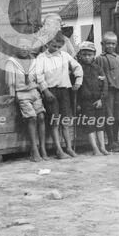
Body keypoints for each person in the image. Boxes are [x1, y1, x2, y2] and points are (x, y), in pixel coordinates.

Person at [34, 31, 83, 159]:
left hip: (64, 90)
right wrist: (45, 90)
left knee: (65, 121)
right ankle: (58, 149)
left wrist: (78, 81)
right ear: (47, 44)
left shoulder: (65, 56)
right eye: (53, 46)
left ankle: (68, 147)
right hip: (51, 92)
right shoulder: (41, 58)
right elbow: (38, 76)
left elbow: (77, 67)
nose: (56, 49)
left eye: (58, 47)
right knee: (55, 122)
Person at [5, 37, 48, 162]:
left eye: (27, 47)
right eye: (21, 46)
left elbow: (39, 78)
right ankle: (34, 150)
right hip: (22, 93)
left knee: (41, 116)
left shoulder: (34, 60)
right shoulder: (12, 61)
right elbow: (10, 82)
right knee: (32, 118)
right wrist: (13, 96)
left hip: (34, 91)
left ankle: (43, 148)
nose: (24, 49)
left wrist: (43, 90)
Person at [76, 41, 110, 156]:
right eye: (84, 54)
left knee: (100, 124)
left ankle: (102, 147)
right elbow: (76, 88)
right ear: (80, 55)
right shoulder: (78, 68)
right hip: (86, 102)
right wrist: (78, 103)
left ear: (94, 55)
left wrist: (102, 99)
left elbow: (104, 85)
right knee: (90, 125)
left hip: (98, 101)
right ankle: (95, 148)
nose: (87, 57)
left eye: (89, 55)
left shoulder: (98, 69)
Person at [97, 31, 119, 152]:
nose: (110, 46)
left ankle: (116, 139)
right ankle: (110, 142)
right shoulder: (100, 59)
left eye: (113, 44)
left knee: (117, 115)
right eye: (108, 43)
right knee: (108, 115)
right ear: (102, 44)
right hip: (108, 91)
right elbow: (99, 75)